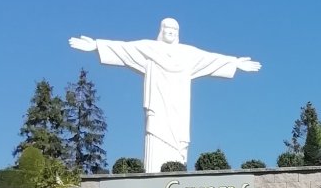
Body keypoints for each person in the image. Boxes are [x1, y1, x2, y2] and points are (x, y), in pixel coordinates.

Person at [69, 18, 261, 173]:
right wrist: (96, 45)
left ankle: (175, 173)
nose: (171, 32)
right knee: (155, 135)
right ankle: (152, 176)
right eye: (167, 28)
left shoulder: (188, 54)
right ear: (161, 30)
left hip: (179, 107)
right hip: (158, 105)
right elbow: (124, 49)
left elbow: (211, 59)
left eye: (174, 29)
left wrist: (235, 63)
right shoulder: (149, 49)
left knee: (179, 142)